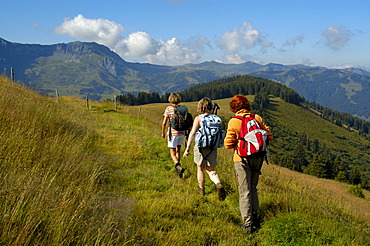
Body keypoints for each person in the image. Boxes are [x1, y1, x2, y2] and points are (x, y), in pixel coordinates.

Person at [224, 94, 273, 233]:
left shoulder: (234, 121)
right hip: (258, 157)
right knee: (253, 188)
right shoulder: (256, 118)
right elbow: (269, 136)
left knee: (244, 191)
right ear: (247, 105)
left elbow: (227, 144)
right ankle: (256, 216)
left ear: (234, 107)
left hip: (242, 159)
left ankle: (247, 224)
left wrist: (238, 144)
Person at [183, 97, 226, 201]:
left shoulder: (199, 118)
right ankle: (218, 183)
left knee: (200, 168)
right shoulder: (215, 118)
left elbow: (192, 133)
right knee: (211, 169)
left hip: (201, 147)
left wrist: (187, 148)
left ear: (200, 107)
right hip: (212, 147)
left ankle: (201, 190)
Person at [162, 93, 187, 178]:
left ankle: (178, 165)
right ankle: (178, 171)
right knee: (178, 151)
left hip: (173, 133)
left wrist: (163, 132)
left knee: (172, 153)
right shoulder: (183, 109)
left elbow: (164, 122)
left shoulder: (169, 108)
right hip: (182, 133)